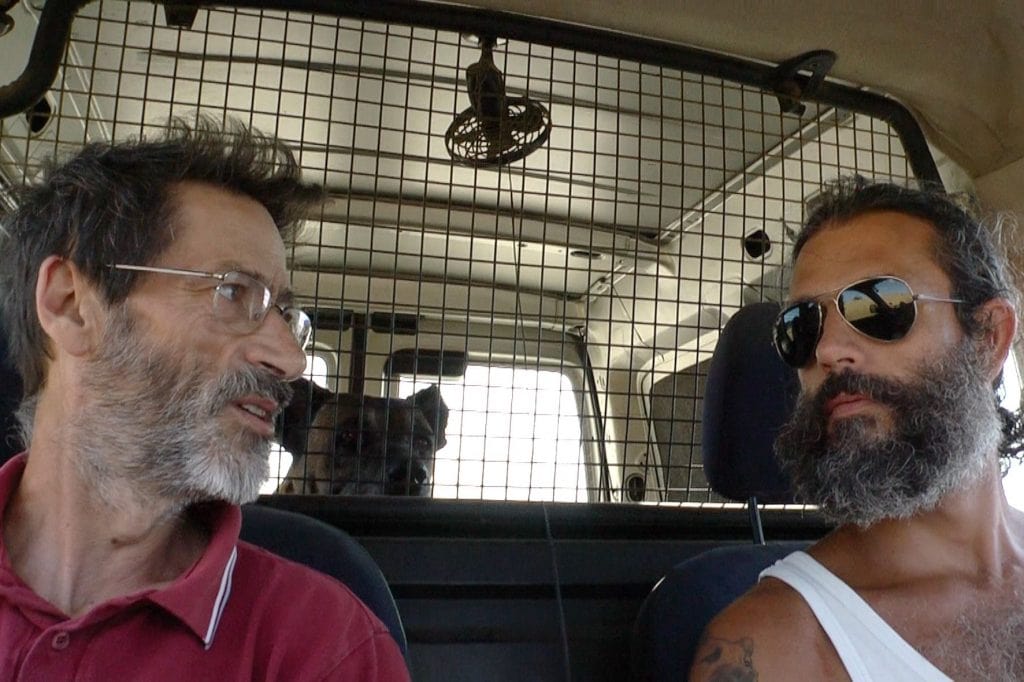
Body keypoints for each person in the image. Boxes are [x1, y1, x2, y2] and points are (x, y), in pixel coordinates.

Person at [0, 118, 410, 680]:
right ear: (71, 305)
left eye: (286, 315)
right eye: (233, 291)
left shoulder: (325, 646)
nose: (291, 361)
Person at [689, 177, 1024, 681]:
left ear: (988, 339)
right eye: (801, 327)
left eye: (878, 305)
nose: (827, 350)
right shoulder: (780, 646)